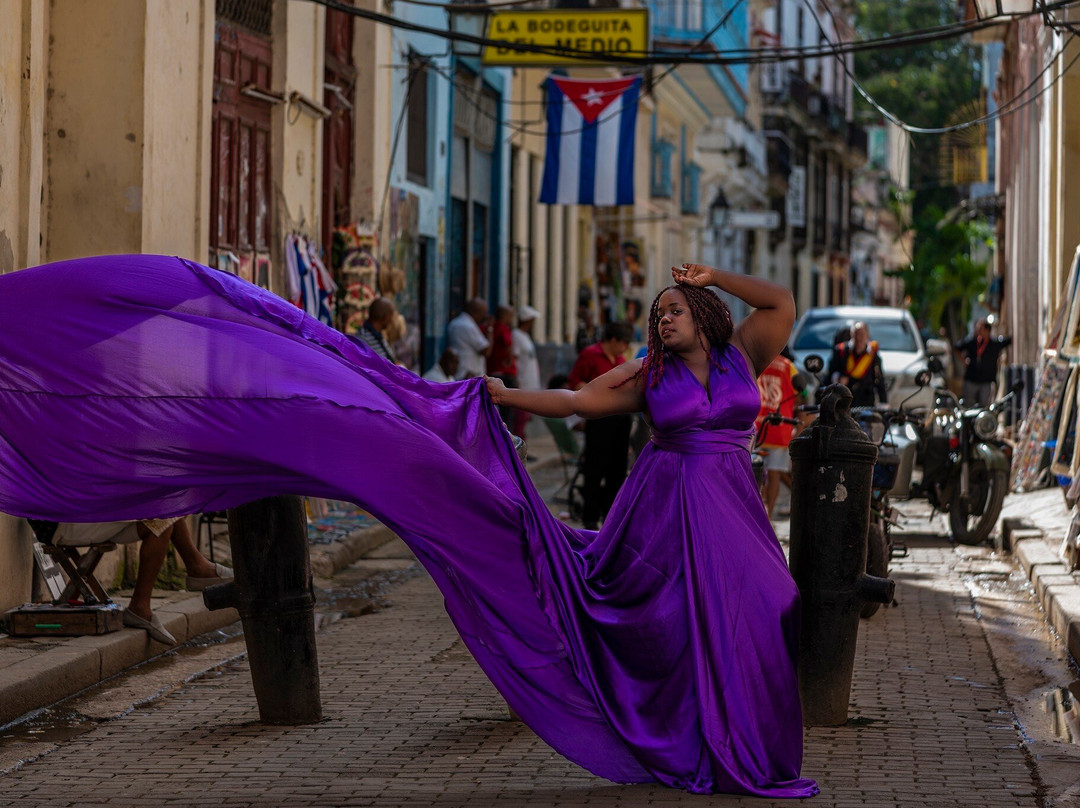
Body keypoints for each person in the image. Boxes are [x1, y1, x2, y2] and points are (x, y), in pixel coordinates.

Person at [0, 254, 817, 798]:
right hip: (665, 509)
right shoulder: (654, 371)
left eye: (676, 308)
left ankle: (746, 745)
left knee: (760, 610)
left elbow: (782, 299)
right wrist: (498, 397)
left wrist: (718, 274)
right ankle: (695, 747)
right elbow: (578, 401)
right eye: (660, 310)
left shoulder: (747, 348)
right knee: (674, 627)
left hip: (731, 508)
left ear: (706, 313)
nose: (663, 317)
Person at [41, 517, 232, 645]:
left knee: (166, 510)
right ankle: (194, 570)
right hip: (64, 521)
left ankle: (196, 568)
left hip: (84, 511)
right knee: (164, 515)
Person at [567, 321, 633, 530]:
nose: (624, 348)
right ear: (613, 340)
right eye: (623, 343)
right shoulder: (590, 355)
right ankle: (590, 517)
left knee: (617, 471)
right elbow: (575, 382)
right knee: (595, 469)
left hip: (621, 418)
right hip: (599, 419)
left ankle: (611, 518)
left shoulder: (621, 360)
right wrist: (597, 395)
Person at [755, 348, 804, 520]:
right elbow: (801, 395)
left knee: (752, 472)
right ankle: (768, 516)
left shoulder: (756, 359)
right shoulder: (788, 366)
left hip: (757, 426)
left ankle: (756, 512)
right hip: (780, 427)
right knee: (774, 474)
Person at [828, 321, 887, 407]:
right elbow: (831, 373)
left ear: (867, 335)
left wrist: (883, 403)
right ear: (852, 335)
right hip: (844, 400)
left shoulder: (873, 355)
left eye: (862, 334)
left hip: (866, 401)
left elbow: (879, 380)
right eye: (856, 334)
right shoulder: (841, 351)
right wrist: (839, 379)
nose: (859, 338)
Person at [955, 318, 1012, 405]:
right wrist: (963, 361)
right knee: (968, 405)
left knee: (983, 406)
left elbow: (1008, 340)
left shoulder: (994, 344)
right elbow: (957, 348)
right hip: (971, 380)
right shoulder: (972, 342)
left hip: (986, 382)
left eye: (980, 329)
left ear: (987, 330)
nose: (978, 331)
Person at [511, 305, 542, 440]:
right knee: (520, 419)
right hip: (522, 383)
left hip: (530, 383)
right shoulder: (516, 335)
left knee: (525, 419)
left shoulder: (525, 336)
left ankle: (523, 447)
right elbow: (514, 358)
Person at [447, 298, 491, 378]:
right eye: (484, 313)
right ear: (476, 311)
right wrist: (490, 328)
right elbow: (485, 350)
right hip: (467, 373)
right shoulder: (467, 325)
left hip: (462, 371)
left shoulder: (456, 322)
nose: (485, 316)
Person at [349, 297, 398, 364]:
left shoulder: (379, 336)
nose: (391, 320)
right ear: (385, 317)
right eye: (390, 316)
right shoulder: (363, 339)